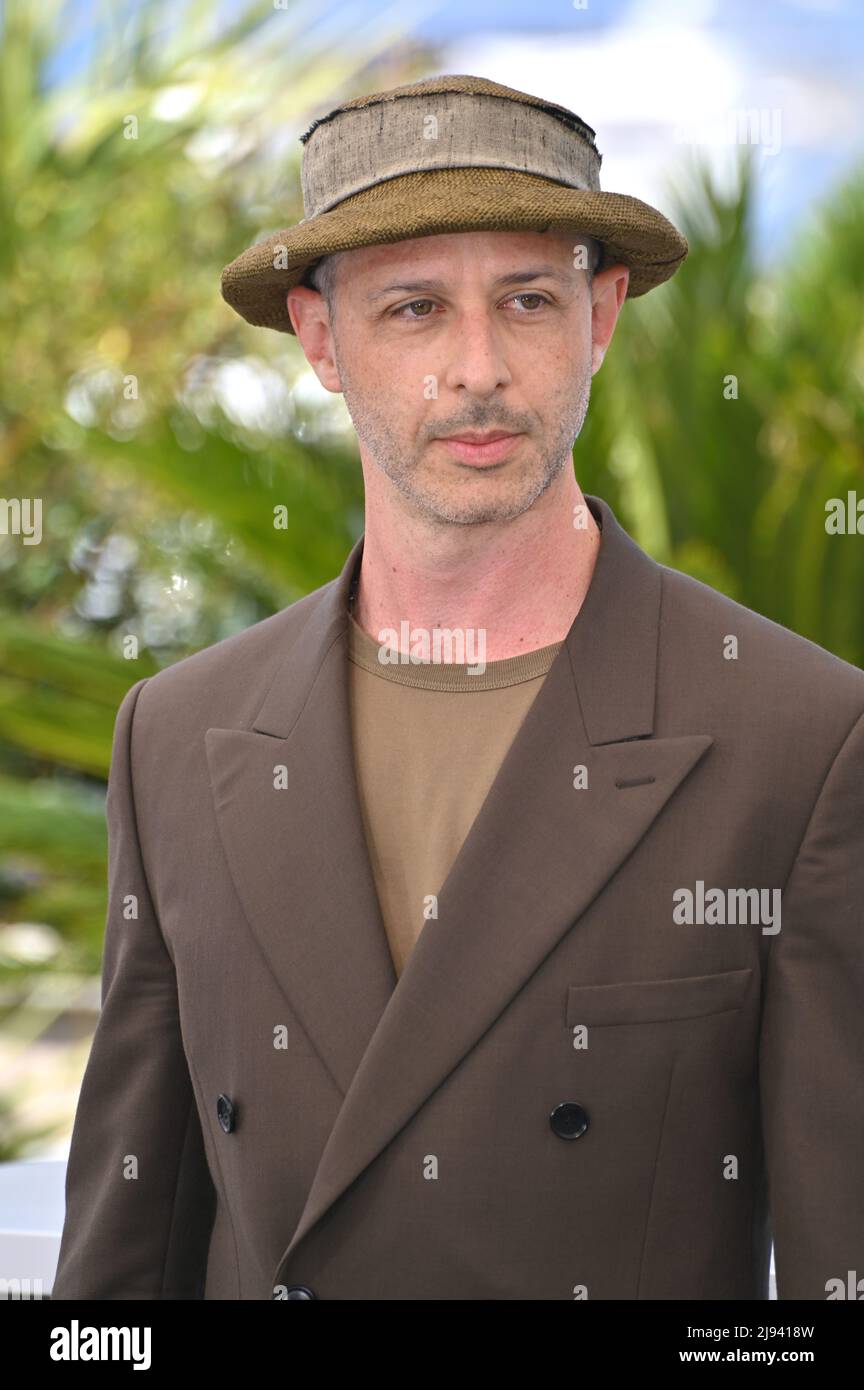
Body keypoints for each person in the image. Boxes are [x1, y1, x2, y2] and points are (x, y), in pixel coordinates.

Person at [52, 73, 864, 1301]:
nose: (478, 369)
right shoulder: (172, 739)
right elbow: (118, 1270)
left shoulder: (798, 737)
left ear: (599, 318)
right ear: (320, 338)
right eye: (415, 309)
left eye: (527, 300)